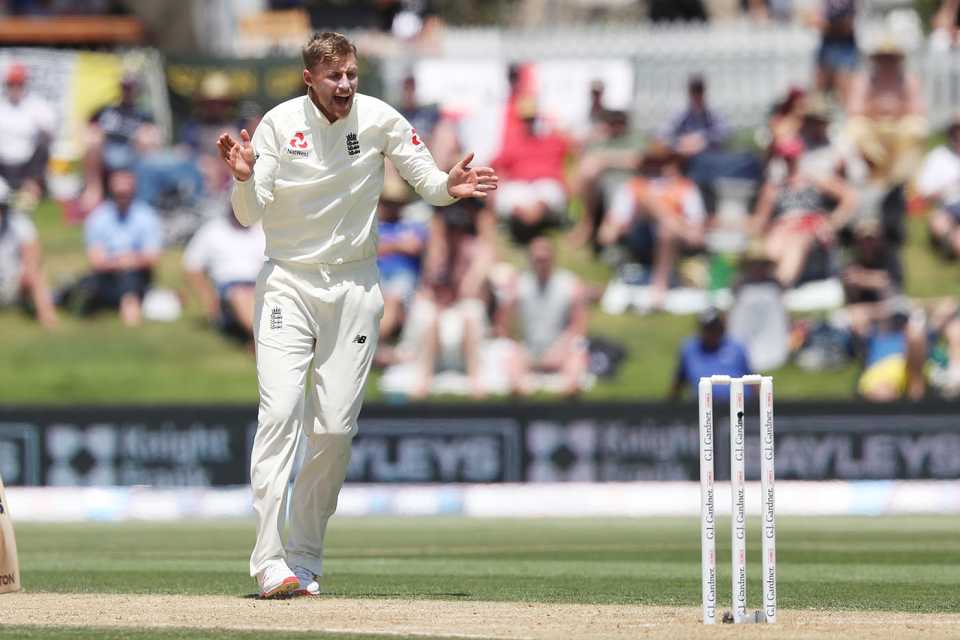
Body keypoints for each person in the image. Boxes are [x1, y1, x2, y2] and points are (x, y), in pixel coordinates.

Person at [215, 31, 498, 599]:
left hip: (354, 285)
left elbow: (428, 184)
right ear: (309, 79)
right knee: (279, 417)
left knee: (335, 430)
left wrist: (451, 185)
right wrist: (244, 177)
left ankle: (305, 556)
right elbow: (248, 216)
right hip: (287, 284)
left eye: (351, 74)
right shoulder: (277, 125)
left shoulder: (378, 119)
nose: (344, 84)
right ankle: (270, 561)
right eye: (333, 76)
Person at [79, 167, 163, 326]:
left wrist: (127, 262)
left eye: (127, 193)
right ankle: (128, 306)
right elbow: (95, 261)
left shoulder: (147, 216)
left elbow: (152, 258)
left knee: (129, 277)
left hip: (138, 275)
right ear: (111, 191)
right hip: (107, 276)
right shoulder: (98, 217)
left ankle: (129, 307)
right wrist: (123, 261)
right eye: (119, 194)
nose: (123, 198)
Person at [507, 236, 589, 397]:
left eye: (544, 258)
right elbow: (506, 326)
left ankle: (570, 388)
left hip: (560, 347)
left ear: (553, 257)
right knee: (511, 353)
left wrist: (560, 348)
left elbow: (579, 326)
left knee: (578, 350)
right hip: (528, 348)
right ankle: (520, 389)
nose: (541, 263)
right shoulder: (518, 284)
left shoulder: (570, 284)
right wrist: (519, 346)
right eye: (537, 259)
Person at [182, 206, 266, 342]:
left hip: (259, 284)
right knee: (241, 294)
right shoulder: (212, 230)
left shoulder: (261, 229)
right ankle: (262, 340)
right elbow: (192, 267)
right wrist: (208, 299)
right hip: (229, 287)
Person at [82, 74, 158, 213]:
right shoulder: (106, 110)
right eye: (125, 88)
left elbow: (153, 136)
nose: (127, 91)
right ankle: (93, 190)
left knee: (146, 137)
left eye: (130, 88)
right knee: (93, 139)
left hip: (132, 152)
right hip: (107, 151)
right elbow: (89, 125)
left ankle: (145, 192)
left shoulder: (144, 114)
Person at [0, 177, 57, 328]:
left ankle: (47, 318)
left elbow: (33, 258)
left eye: (1, 207)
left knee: (37, 274)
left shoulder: (21, 225)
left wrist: (28, 273)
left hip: (14, 286)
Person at [0, 62, 55, 206]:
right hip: (3, 161)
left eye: (19, 84)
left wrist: (43, 130)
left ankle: (31, 188)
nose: (15, 88)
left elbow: (50, 134)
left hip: (28, 163)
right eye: (12, 84)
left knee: (43, 148)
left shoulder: (37, 106)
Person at [670, 308, 752, 402]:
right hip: (705, 408)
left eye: (715, 328)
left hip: (739, 406)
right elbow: (678, 384)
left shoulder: (737, 348)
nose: (711, 333)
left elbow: (752, 380)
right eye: (708, 328)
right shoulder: (690, 350)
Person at [915, 115, 960, 259]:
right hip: (947, 207)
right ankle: (947, 249)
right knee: (939, 224)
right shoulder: (938, 156)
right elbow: (923, 190)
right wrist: (947, 188)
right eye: (956, 131)